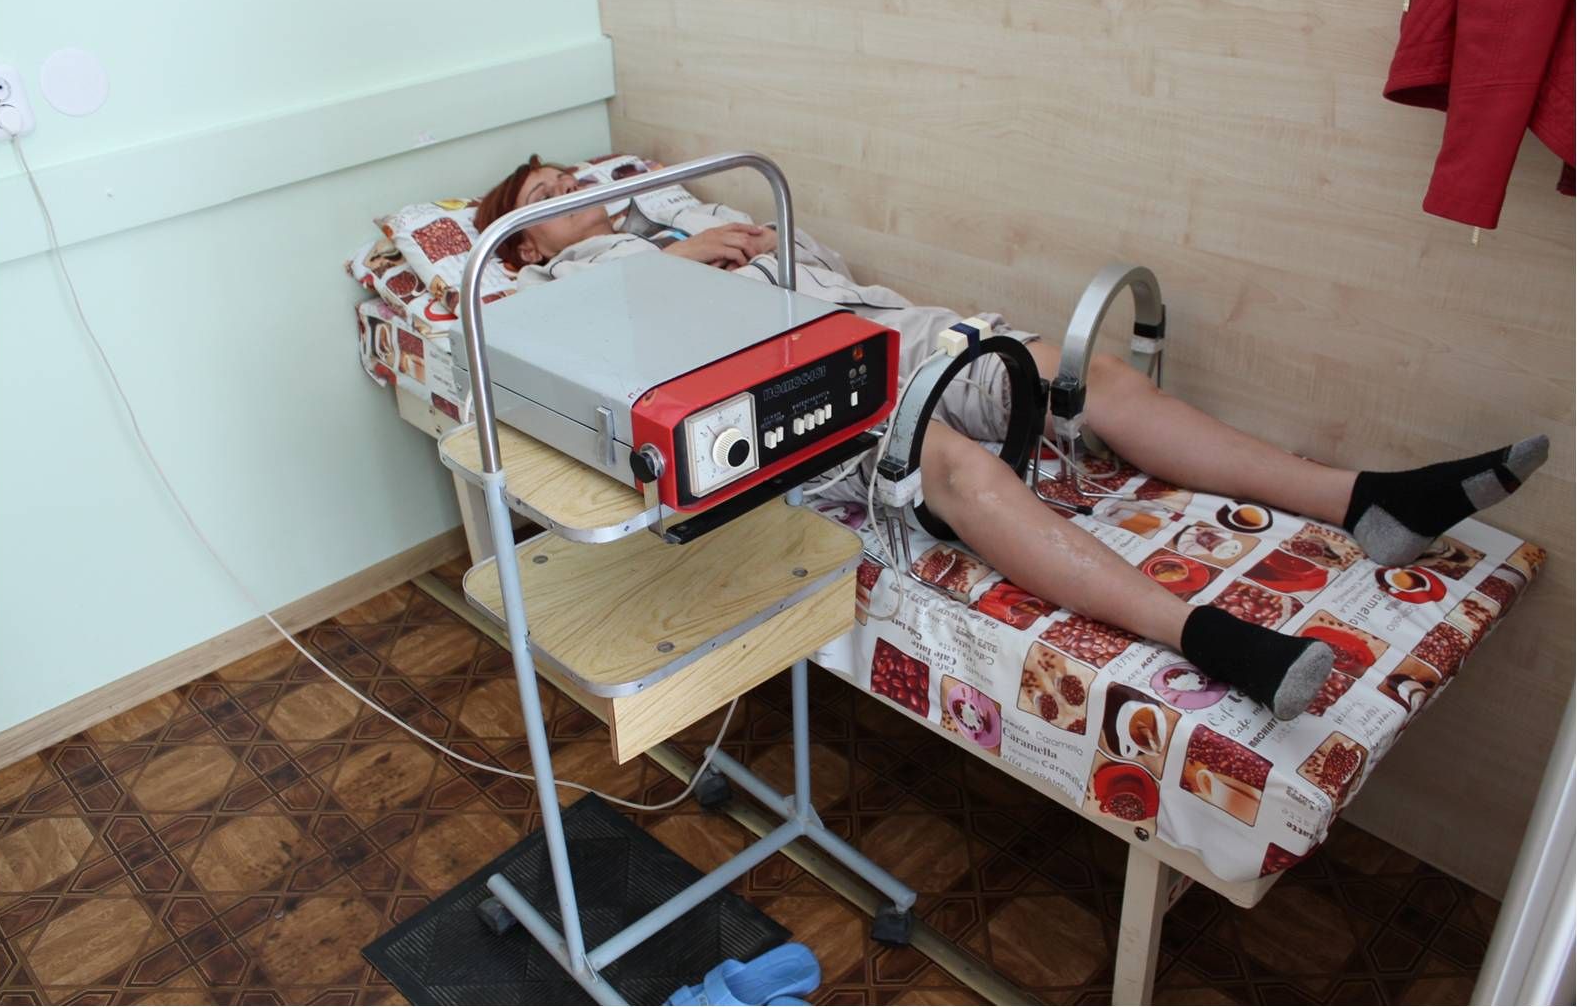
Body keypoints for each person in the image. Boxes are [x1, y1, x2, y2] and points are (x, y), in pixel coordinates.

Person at [475, 156, 1548, 719]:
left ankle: (1364, 496)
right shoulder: (547, 290)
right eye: (551, 198)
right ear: (523, 245)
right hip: (798, 395)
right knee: (950, 463)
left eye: (578, 178)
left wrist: (712, 235)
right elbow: (620, 362)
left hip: (890, 332)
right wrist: (685, 262)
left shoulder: (697, 202)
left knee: (1084, 371)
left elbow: (827, 272)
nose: (580, 193)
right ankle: (1206, 636)